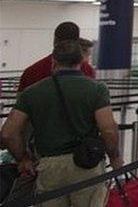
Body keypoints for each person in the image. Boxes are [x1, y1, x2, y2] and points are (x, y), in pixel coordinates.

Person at [2, 40, 122, 206]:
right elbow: (108, 129)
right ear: (81, 61)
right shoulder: (97, 89)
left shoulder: (32, 92)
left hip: (49, 167)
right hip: (87, 164)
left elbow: (8, 133)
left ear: (54, 61)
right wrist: (115, 157)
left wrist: (23, 159)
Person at [18, 22, 95, 92]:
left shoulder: (31, 72)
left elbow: (20, 102)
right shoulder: (88, 70)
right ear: (77, 42)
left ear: (55, 40)